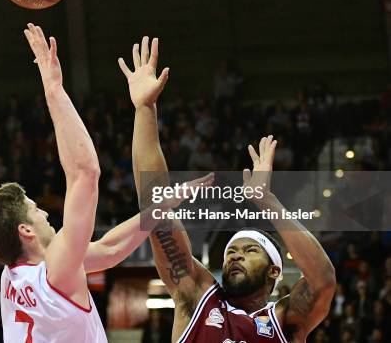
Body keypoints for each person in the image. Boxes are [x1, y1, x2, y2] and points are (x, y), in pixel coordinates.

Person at [0, 25, 208, 342]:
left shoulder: (14, 277)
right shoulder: (57, 272)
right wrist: (53, 88)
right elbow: (84, 173)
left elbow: (107, 250)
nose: (45, 214)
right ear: (26, 231)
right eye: (35, 211)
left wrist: (157, 209)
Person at [121, 36, 336, 342]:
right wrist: (144, 110)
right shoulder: (197, 298)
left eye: (249, 251)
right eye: (231, 251)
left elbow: (323, 281)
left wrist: (268, 201)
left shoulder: (286, 322)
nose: (235, 256)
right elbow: (154, 205)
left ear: (275, 271)